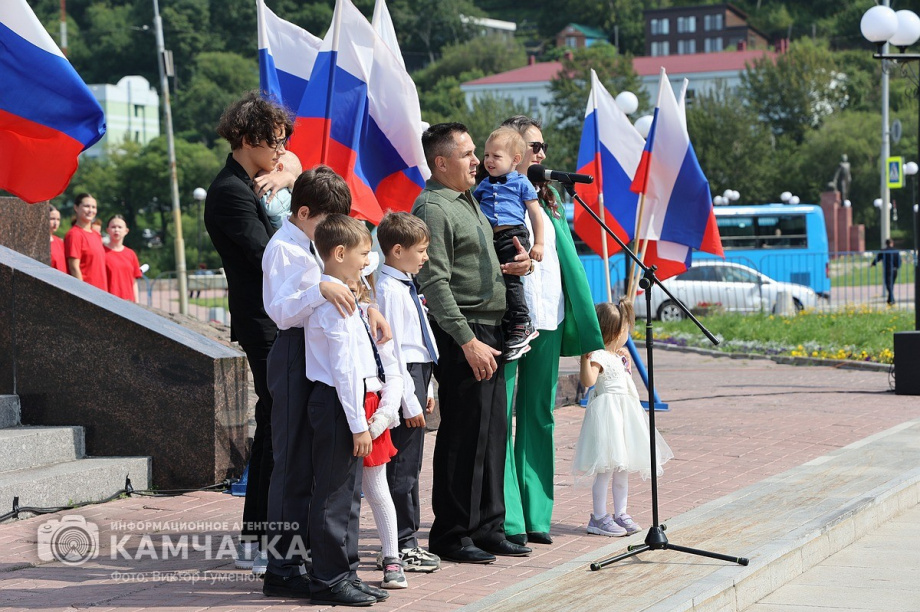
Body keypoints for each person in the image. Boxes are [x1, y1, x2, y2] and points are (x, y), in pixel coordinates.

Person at [412, 122, 532, 564]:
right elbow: (435, 281)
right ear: (441, 162)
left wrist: (512, 270)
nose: (476, 161)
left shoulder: (469, 201)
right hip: (465, 332)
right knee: (463, 433)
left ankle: (488, 525)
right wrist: (466, 341)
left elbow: (471, 267)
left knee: (492, 431)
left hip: (491, 329)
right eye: (466, 154)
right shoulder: (433, 207)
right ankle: (452, 533)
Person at [499, 115, 605, 547]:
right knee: (500, 416)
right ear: (514, 151)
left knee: (538, 417)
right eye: (534, 147)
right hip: (507, 321)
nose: (542, 154)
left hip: (549, 317)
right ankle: (507, 517)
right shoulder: (490, 195)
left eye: (543, 147)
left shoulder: (552, 198)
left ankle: (536, 513)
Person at [204, 91, 293, 570]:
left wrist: (283, 174)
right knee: (275, 426)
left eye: (282, 140)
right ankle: (255, 537)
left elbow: (296, 163)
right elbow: (269, 258)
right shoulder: (230, 193)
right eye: (274, 141)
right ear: (246, 138)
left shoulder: (252, 180)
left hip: (274, 319)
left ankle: (262, 534)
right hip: (263, 323)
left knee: (278, 425)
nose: (280, 149)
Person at [259, 165, 356, 596]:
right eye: (327, 220)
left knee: (311, 464)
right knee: (291, 462)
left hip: (315, 353)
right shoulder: (286, 248)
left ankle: (305, 559)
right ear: (302, 212)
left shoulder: (313, 244)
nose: (334, 231)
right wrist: (321, 289)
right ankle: (281, 568)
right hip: (293, 353)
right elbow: (281, 311)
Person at [304, 213, 399, 606]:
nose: (368, 260)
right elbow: (344, 373)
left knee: (350, 494)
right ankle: (327, 578)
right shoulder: (336, 306)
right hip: (338, 405)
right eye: (363, 253)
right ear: (339, 253)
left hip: (348, 403)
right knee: (333, 496)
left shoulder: (348, 298)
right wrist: (359, 426)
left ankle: (346, 571)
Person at [373, 212, 441, 574]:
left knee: (411, 467)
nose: (425, 257)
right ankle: (402, 542)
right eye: (421, 250)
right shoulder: (388, 290)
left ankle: (406, 540)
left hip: (417, 375)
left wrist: (427, 384)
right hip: (403, 381)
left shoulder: (404, 286)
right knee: (402, 468)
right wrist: (409, 400)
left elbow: (418, 345)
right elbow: (394, 352)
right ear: (397, 250)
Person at [574, 299, 673, 537]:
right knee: (606, 468)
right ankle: (598, 517)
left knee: (622, 468)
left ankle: (621, 512)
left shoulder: (620, 355)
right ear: (614, 331)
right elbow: (588, 382)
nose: (626, 335)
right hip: (608, 416)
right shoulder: (598, 355)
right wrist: (585, 358)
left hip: (625, 415)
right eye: (624, 330)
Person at [349, 273, 407, 590]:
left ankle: (392, 558)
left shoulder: (374, 320)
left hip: (372, 406)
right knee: (335, 492)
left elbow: (393, 371)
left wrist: (384, 415)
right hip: (339, 404)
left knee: (377, 489)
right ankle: (335, 560)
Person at [473, 127, 545, 360]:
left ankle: (522, 322)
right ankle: (504, 323)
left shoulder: (522, 182)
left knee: (512, 281)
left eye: (496, 156)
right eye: (486, 155)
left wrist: (539, 244)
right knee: (496, 280)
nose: (489, 161)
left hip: (513, 236)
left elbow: (535, 214)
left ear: (515, 160)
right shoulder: (483, 185)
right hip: (490, 239)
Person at [64, 193, 107, 291]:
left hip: (102, 292)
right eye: (87, 206)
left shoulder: (96, 235)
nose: (91, 210)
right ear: (76, 207)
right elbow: (74, 267)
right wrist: (83, 294)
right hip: (88, 293)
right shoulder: (74, 234)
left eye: (94, 207)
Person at [258, 150, 303, 229]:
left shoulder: (282, 194)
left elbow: (270, 208)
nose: (259, 169)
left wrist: (258, 194)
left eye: (263, 167)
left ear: (279, 168)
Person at [103, 215, 142, 303]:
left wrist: (137, 303)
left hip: (128, 302)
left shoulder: (131, 254)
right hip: (109, 301)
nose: (116, 230)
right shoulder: (101, 252)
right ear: (108, 230)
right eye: (113, 227)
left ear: (126, 231)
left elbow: (134, 281)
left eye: (120, 227)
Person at [871, 239, 901, 305]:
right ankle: (889, 300)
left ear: (886, 243)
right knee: (891, 285)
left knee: (888, 285)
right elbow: (899, 261)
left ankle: (892, 299)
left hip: (888, 270)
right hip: (895, 270)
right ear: (892, 243)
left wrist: (873, 264)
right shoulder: (896, 251)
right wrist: (898, 266)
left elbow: (877, 258)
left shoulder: (883, 251)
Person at [49, 205, 67, 273]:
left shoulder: (59, 242)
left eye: (58, 219)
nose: (55, 223)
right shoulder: (39, 243)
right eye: (52, 219)